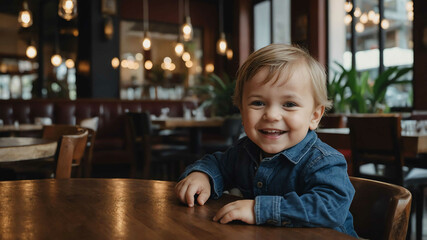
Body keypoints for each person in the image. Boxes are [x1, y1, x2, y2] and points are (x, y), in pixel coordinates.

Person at [175, 44, 357, 237]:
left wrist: (259, 210)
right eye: (258, 103)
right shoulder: (244, 151)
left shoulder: (323, 161)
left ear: (314, 116)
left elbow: (330, 207)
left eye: (289, 104)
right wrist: (203, 176)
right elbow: (217, 164)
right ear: (242, 112)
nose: (271, 115)